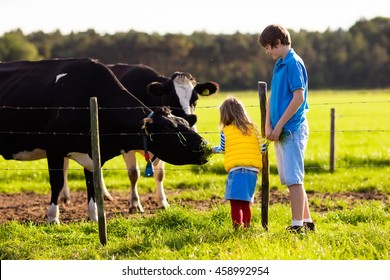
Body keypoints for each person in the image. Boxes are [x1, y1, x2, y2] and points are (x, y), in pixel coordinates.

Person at [258, 24, 315, 233]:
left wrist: (279, 125)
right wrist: (268, 124)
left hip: (292, 129)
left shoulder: (293, 63)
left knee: (294, 179)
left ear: (279, 42)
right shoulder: (280, 63)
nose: (268, 51)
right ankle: (307, 222)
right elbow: (274, 95)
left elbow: (298, 97)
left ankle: (296, 226)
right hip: (280, 129)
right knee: (292, 177)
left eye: (268, 47)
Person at [212, 97, 265, 229]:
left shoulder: (226, 131)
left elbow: (223, 149)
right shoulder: (253, 128)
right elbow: (263, 148)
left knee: (235, 203)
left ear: (224, 115)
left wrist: (213, 149)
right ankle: (246, 227)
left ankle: (236, 229)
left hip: (236, 171)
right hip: (252, 172)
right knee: (246, 203)